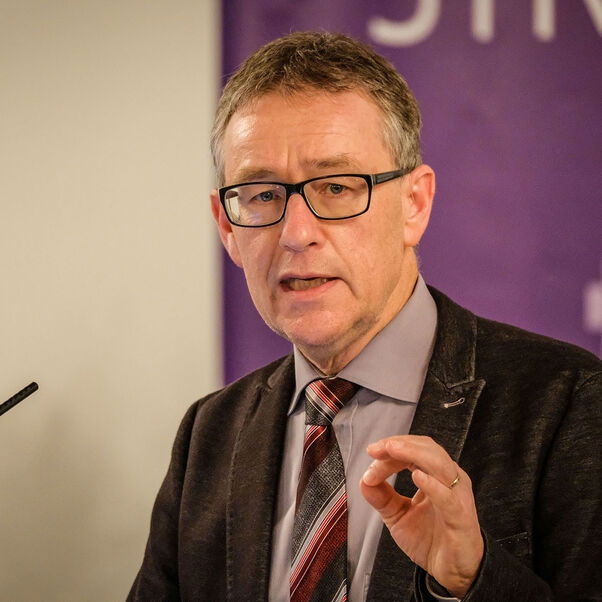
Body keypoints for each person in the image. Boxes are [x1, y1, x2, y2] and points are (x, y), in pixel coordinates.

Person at [128, 32, 601, 601]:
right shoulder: (209, 433)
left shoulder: (569, 403)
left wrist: (473, 580)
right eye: (262, 195)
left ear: (414, 205)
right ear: (227, 226)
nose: (296, 233)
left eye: (336, 187)